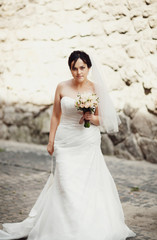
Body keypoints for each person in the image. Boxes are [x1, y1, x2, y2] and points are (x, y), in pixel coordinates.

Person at [0, 50, 136, 240]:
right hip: (65, 140)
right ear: (70, 69)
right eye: (74, 68)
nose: (79, 72)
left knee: (86, 183)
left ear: (89, 68)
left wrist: (91, 117)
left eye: (82, 67)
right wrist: (51, 140)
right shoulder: (62, 87)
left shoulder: (96, 88)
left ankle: (85, 226)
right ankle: (62, 227)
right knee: (65, 181)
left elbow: (105, 119)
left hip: (87, 140)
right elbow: (56, 115)